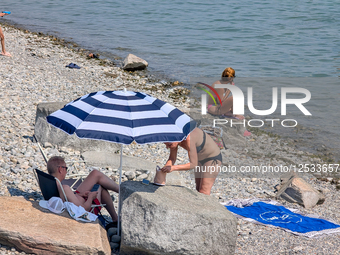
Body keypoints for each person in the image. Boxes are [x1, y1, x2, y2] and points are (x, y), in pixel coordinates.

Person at [47, 156, 119, 223]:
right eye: (66, 168)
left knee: (95, 174)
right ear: (60, 169)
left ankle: (116, 217)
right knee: (101, 187)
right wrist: (90, 197)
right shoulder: (65, 188)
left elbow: (68, 199)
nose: (66, 171)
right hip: (85, 211)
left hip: (76, 201)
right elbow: (84, 210)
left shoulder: (50, 183)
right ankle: (121, 192)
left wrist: (80, 195)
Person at [154, 127, 222, 195]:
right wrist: (166, 167)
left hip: (213, 158)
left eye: (169, 145)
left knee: (204, 191)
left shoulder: (189, 139)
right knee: (198, 189)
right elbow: (172, 158)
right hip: (199, 158)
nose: (167, 147)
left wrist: (173, 168)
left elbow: (193, 164)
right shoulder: (175, 138)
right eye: (165, 145)